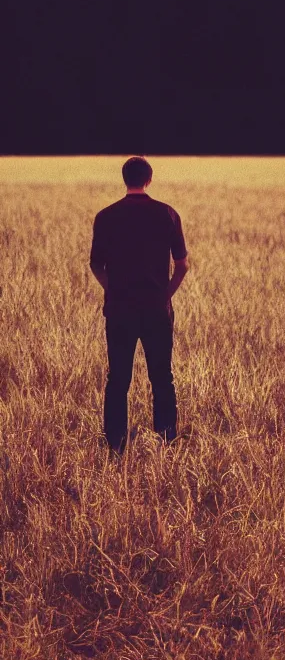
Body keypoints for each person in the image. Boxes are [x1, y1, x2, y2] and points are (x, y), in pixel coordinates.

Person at [89, 156, 189, 456]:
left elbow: (96, 265)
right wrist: (165, 295)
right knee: (162, 377)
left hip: (120, 310)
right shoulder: (167, 214)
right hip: (157, 310)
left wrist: (114, 289)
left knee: (117, 379)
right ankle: (168, 443)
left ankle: (115, 446)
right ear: (149, 179)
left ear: (124, 179)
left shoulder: (105, 216)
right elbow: (182, 265)